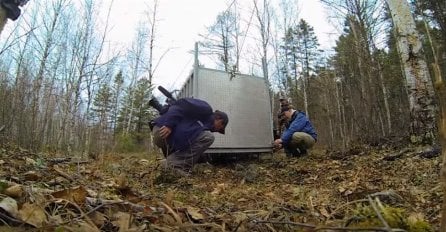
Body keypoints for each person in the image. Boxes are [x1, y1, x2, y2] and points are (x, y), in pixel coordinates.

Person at [151, 97, 228, 175]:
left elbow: (193, 150)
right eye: (220, 128)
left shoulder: (200, 127)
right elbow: (180, 105)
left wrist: (202, 162)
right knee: (208, 137)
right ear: (219, 119)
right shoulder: (206, 109)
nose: (217, 131)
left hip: (170, 139)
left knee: (201, 140)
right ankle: (171, 166)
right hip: (163, 130)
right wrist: (169, 125)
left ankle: (170, 168)